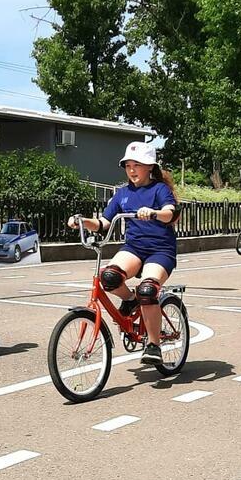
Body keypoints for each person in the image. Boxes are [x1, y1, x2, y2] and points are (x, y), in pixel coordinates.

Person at [67, 141, 179, 364]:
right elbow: (103, 223)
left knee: (147, 290)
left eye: (137, 165)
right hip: (134, 248)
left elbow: (170, 212)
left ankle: (154, 345)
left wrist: (155, 213)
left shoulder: (160, 190)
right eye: (128, 165)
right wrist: (81, 221)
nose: (132, 170)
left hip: (160, 250)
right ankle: (129, 300)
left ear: (149, 167)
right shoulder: (122, 194)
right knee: (108, 277)